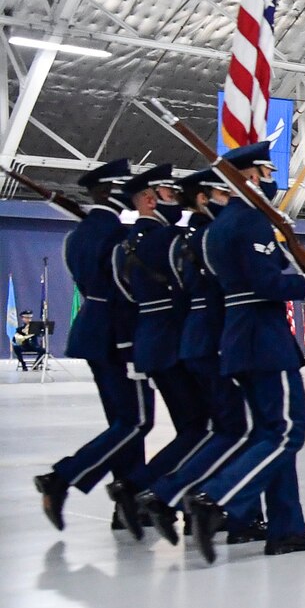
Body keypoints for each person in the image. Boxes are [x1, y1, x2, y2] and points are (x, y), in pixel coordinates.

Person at [185, 142, 305, 561]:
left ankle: (286, 527)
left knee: (270, 435)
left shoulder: (218, 226)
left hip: (243, 339)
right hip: (263, 340)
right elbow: (265, 285)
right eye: (266, 171)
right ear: (250, 177)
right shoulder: (250, 223)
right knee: (287, 432)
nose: (272, 180)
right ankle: (216, 500)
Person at [137, 169, 255, 543]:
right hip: (214, 341)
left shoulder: (182, 240)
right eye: (222, 193)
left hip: (192, 340)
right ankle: (182, 498)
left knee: (217, 429)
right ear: (204, 197)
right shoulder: (207, 238)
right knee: (235, 430)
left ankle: (184, 503)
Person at [35, 158, 151, 534]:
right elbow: (125, 293)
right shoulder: (117, 235)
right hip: (119, 336)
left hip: (92, 333)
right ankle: (62, 477)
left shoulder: (80, 234)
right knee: (137, 420)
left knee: (124, 422)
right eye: (125, 187)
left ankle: (129, 504)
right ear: (110, 191)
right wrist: (133, 344)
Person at [120, 165, 211, 530]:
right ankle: (145, 489)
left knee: (193, 427)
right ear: (149, 198)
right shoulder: (170, 239)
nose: (177, 201)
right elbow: (189, 289)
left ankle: (153, 493)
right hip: (176, 343)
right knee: (200, 428)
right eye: (170, 194)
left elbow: (125, 295)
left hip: (150, 342)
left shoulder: (128, 242)